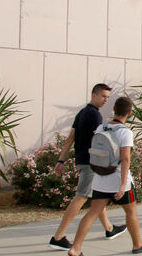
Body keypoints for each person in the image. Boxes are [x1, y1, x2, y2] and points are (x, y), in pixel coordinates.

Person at [68, 96, 142, 255]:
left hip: (100, 177)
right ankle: (137, 245)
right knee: (130, 211)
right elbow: (125, 158)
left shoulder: (101, 128)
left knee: (93, 212)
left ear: (114, 109)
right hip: (117, 179)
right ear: (129, 112)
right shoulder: (125, 132)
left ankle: (76, 247)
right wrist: (123, 185)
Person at [49, 83, 127, 250]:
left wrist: (61, 160)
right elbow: (99, 143)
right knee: (81, 197)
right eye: (103, 96)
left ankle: (109, 229)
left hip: (81, 161)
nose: (105, 99)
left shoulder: (82, 113)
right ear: (94, 95)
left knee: (97, 197)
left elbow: (70, 139)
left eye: (107, 97)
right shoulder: (95, 116)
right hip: (90, 163)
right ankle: (58, 237)